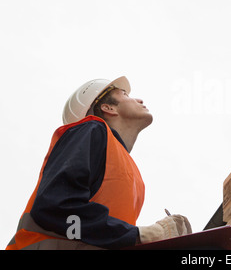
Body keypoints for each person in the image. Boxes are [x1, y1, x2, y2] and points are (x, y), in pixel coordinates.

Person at [6, 76, 192, 250]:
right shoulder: (91, 130)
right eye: (125, 95)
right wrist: (142, 234)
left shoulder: (130, 170)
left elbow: (100, 235)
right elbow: (56, 209)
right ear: (108, 108)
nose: (140, 100)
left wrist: (152, 238)